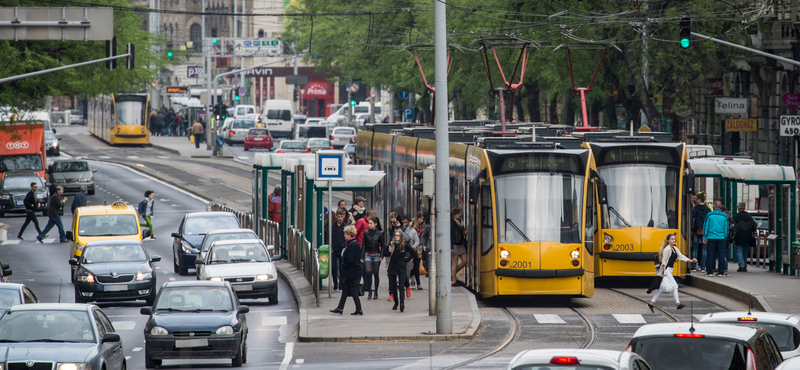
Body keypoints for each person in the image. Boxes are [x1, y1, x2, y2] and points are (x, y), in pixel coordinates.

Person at [647, 233, 696, 312]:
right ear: (668, 240)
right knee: (675, 286)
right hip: (666, 270)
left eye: (674, 239)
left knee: (661, 288)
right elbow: (664, 260)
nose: (674, 240)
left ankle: (651, 303)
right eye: (672, 239)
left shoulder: (674, 248)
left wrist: (690, 260)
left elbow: (680, 256)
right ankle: (678, 304)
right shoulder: (667, 249)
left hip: (669, 270)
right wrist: (664, 271)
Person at [330, 226, 363, 316]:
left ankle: (359, 309)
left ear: (349, 235)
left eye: (345, 234)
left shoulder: (352, 245)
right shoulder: (353, 243)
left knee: (353, 290)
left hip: (352, 271)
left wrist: (344, 266)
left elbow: (351, 259)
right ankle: (340, 307)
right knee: (345, 289)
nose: (344, 235)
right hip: (352, 271)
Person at [383, 229, 414, 312]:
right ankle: (396, 302)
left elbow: (414, 253)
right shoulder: (391, 244)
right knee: (393, 286)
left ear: (401, 237)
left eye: (398, 235)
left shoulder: (404, 245)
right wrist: (389, 252)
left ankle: (402, 303)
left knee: (401, 285)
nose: (396, 237)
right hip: (392, 266)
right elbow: (384, 253)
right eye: (395, 235)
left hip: (401, 266)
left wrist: (407, 259)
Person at [703, 200, 730, 277]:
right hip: (721, 238)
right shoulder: (724, 216)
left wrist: (704, 236)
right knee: (721, 254)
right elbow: (726, 228)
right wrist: (725, 236)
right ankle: (721, 272)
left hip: (711, 237)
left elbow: (706, 226)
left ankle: (709, 271)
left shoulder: (709, 215)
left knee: (710, 254)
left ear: (714, 206)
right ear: (721, 206)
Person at [361, 217, 385, 300]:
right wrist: (362, 256)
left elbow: (383, 245)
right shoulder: (366, 233)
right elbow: (363, 245)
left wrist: (382, 255)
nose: (369, 225)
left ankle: (376, 292)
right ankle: (370, 291)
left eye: (371, 223)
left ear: (375, 224)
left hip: (376, 254)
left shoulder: (380, 233)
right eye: (369, 223)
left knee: (375, 273)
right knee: (368, 272)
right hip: (368, 254)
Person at [325, 209, 348, 291]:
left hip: (342, 248)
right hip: (333, 249)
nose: (340, 218)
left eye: (342, 217)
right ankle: (335, 283)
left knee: (342, 267)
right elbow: (328, 237)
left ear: (344, 217)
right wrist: (329, 247)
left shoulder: (346, 226)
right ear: (336, 216)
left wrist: (346, 246)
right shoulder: (332, 226)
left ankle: (341, 284)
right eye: (339, 216)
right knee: (334, 267)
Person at [732, 202, 758, 272]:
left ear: (738, 208)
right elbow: (754, 226)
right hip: (747, 237)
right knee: (745, 251)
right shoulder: (749, 216)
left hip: (739, 237)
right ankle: (744, 265)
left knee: (739, 250)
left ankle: (741, 265)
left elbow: (733, 227)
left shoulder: (736, 216)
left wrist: (733, 238)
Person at [690, 192, 711, 272]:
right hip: (705, 231)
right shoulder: (708, 209)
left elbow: (692, 220)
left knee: (695, 248)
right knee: (704, 249)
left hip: (696, 230)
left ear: (699, 199)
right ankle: (703, 267)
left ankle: (694, 266)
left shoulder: (694, 209)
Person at [401, 215, 420, 296]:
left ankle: (408, 283)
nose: (404, 224)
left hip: (410, 252)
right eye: (403, 222)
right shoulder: (399, 231)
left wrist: (414, 247)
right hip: (401, 253)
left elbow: (417, 241)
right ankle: (403, 282)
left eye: (406, 222)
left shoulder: (412, 231)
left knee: (411, 269)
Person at [451, 208, 468, 286]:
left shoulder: (461, 222)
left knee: (465, 261)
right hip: (454, 244)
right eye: (457, 213)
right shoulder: (451, 222)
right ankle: (454, 281)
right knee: (455, 262)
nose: (459, 214)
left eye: (459, 213)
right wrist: (451, 247)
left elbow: (461, 232)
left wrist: (464, 232)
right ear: (454, 215)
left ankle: (452, 274)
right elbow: (450, 234)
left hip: (461, 244)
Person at [412, 211, 430, 285]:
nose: (421, 220)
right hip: (413, 247)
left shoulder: (424, 226)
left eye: (422, 219)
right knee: (414, 265)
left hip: (419, 248)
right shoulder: (413, 225)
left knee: (417, 264)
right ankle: (414, 280)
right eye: (420, 219)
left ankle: (416, 282)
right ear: (417, 218)